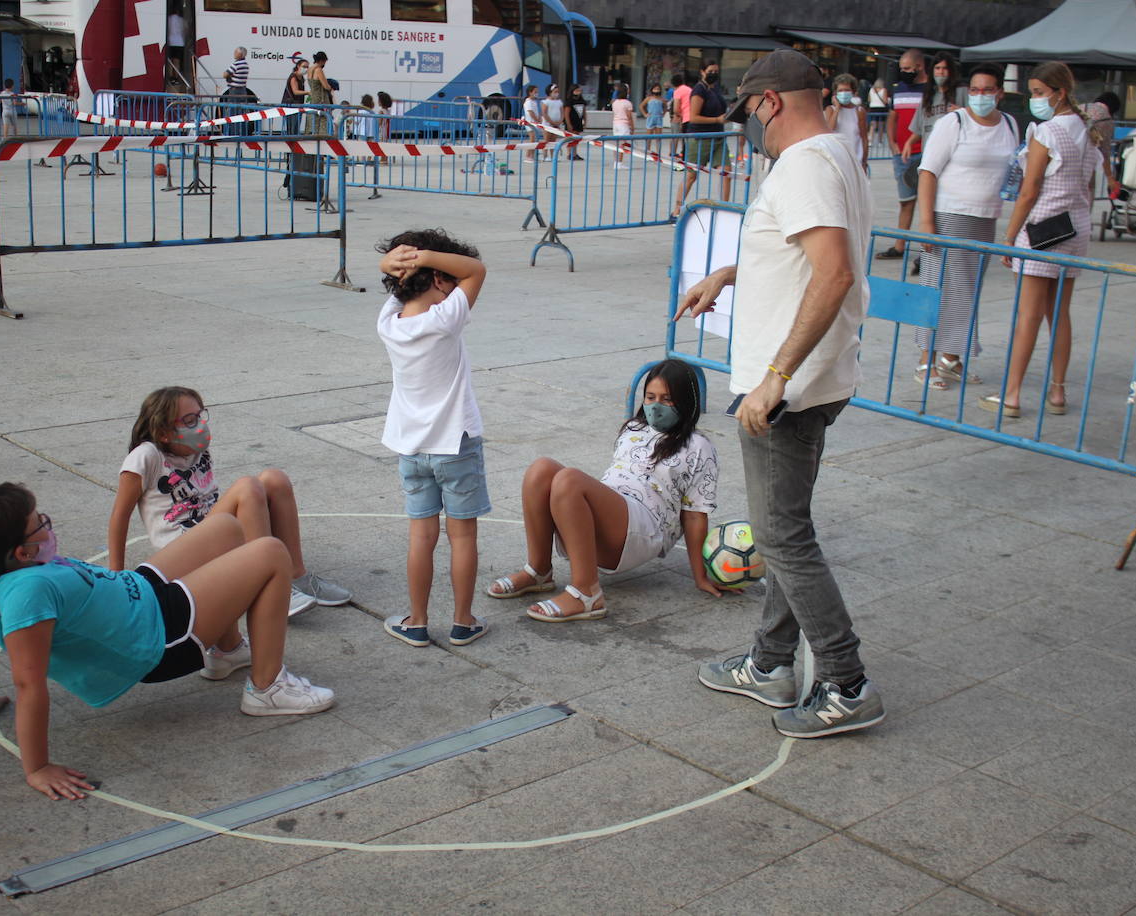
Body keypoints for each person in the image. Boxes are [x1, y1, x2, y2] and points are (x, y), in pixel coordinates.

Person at [675, 49, 883, 739]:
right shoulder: (837, 155)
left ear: (769, 103)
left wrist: (777, 378)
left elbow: (834, 274)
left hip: (790, 386)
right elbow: (803, 253)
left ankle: (846, 682)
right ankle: (770, 664)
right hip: (808, 379)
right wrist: (732, 273)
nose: (750, 131)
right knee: (786, 526)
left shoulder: (804, 164)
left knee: (782, 536)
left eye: (750, 115)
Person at [0, 483, 335, 800]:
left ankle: (227, 652)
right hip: (162, 637)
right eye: (39, 524)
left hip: (138, 593)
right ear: (22, 552)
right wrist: (38, 767)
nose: (48, 526)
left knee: (228, 529)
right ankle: (267, 689)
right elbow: (28, 683)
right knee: (270, 553)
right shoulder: (26, 594)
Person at [486, 359, 723, 621]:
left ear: (686, 401)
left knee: (569, 480)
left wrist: (700, 575)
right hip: (616, 508)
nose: (656, 405)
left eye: (667, 399)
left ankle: (587, 593)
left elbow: (694, 514)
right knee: (540, 470)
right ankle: (538, 570)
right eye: (650, 397)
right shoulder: (634, 428)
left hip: (645, 526)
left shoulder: (699, 446)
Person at [107, 386, 352, 616]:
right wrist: (117, 578)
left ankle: (296, 575)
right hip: (183, 547)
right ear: (163, 432)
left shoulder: (195, 449)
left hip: (219, 533)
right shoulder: (145, 456)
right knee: (247, 487)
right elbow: (120, 515)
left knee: (274, 479)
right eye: (190, 420)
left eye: (201, 416)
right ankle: (266, 587)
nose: (200, 425)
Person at [374, 230, 491, 648]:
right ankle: (463, 620)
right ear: (440, 279)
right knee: (463, 537)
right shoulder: (447, 318)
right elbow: (476, 270)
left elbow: (401, 287)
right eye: (451, 279)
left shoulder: (388, 323)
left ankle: (418, 620)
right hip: (455, 444)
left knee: (421, 538)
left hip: (411, 448)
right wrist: (426, 257)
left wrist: (396, 263)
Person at [983, 61, 1101, 419]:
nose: (1035, 99)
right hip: (1074, 228)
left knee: (1028, 314)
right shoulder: (1086, 130)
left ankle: (1013, 393)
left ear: (1058, 92)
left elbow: (1029, 190)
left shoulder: (1047, 132)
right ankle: (1058, 390)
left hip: (1041, 230)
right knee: (1058, 313)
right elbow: (1090, 187)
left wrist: (1009, 236)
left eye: (1038, 93)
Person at [913, 63, 1018, 391]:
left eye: (988, 90)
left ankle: (952, 357)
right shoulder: (953, 122)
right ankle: (926, 361)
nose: (981, 96)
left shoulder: (1010, 124)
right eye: (975, 90)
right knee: (940, 288)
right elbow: (928, 170)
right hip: (949, 215)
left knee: (968, 291)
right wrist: (928, 222)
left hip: (985, 217)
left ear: (999, 93)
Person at [878, 49, 930, 260]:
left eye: (908, 68)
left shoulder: (929, 90)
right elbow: (893, 117)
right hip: (903, 154)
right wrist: (892, 144)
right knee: (905, 200)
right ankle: (900, 245)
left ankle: (928, 248)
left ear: (920, 66)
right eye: (902, 69)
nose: (905, 72)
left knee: (930, 203)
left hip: (926, 153)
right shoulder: (899, 90)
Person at [673, 60, 728, 212]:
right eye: (710, 71)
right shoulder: (699, 90)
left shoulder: (715, 89)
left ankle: (724, 208)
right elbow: (694, 117)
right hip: (700, 137)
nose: (714, 74)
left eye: (716, 71)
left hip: (718, 137)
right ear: (702, 72)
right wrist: (717, 119)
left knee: (726, 172)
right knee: (691, 175)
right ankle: (676, 210)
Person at [901, 53, 965, 166]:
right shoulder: (928, 96)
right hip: (930, 157)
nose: (941, 72)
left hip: (954, 157)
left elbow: (977, 119)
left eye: (945, 68)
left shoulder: (962, 91)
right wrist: (909, 143)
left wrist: (963, 112)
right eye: (937, 68)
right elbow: (919, 129)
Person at [826, 73, 868, 172]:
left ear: (853, 92)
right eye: (840, 90)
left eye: (847, 90)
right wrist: (837, 109)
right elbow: (829, 131)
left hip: (855, 161)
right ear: (835, 93)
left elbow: (864, 138)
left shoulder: (859, 111)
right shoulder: (830, 110)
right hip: (836, 162)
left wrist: (864, 162)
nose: (844, 93)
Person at [1084, 91, 1121, 196]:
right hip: (1085, 165)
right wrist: (1109, 177)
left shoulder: (1080, 107)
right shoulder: (1106, 120)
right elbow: (1104, 152)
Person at [280, 54, 308, 133]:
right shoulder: (293, 77)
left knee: (296, 127)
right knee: (292, 128)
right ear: (298, 66)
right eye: (304, 66)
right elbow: (295, 91)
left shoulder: (301, 78)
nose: (306, 69)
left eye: (307, 67)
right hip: (291, 105)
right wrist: (308, 93)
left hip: (298, 105)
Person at [307, 51, 333, 134]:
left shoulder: (310, 69)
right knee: (323, 121)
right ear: (322, 60)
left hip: (313, 98)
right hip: (321, 99)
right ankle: (322, 139)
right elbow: (326, 86)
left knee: (313, 120)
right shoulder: (318, 70)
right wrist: (330, 87)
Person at [610, 84, 634, 168]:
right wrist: (632, 127)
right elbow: (629, 116)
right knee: (622, 143)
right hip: (624, 124)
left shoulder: (615, 102)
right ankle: (619, 162)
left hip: (615, 123)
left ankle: (616, 162)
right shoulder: (627, 103)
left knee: (616, 143)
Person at [670, 73, 692, 160]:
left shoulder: (677, 91)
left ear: (673, 84)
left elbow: (676, 109)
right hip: (693, 117)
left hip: (686, 118)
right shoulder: (689, 89)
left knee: (685, 141)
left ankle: (686, 161)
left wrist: (678, 115)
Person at [542, 84, 565, 160]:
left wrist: (560, 121)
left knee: (553, 141)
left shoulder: (559, 102)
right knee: (547, 140)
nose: (556, 93)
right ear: (550, 92)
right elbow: (544, 113)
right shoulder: (546, 102)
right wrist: (551, 122)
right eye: (555, 92)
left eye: (557, 92)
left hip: (557, 124)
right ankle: (545, 156)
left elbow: (562, 112)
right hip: (547, 124)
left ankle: (553, 156)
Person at [867, 78, 890, 154]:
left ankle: (870, 140)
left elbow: (869, 100)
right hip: (881, 108)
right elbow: (885, 100)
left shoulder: (871, 90)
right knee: (881, 125)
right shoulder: (884, 90)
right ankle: (880, 141)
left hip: (873, 107)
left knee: (872, 125)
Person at [565, 85, 587, 160]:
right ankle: (569, 153)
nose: (578, 92)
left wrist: (585, 121)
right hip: (572, 121)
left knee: (576, 138)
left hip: (579, 121)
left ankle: (575, 153)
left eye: (579, 90)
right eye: (577, 90)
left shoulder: (582, 101)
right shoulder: (569, 101)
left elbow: (584, 112)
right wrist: (568, 124)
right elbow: (566, 114)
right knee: (570, 138)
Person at [522, 83, 542, 161]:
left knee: (534, 139)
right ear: (530, 92)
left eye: (537, 92)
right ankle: (528, 156)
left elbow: (536, 111)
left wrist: (539, 118)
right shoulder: (528, 102)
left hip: (535, 123)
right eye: (535, 92)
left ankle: (532, 156)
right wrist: (536, 119)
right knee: (532, 139)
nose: (536, 93)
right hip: (530, 123)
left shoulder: (534, 101)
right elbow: (530, 112)